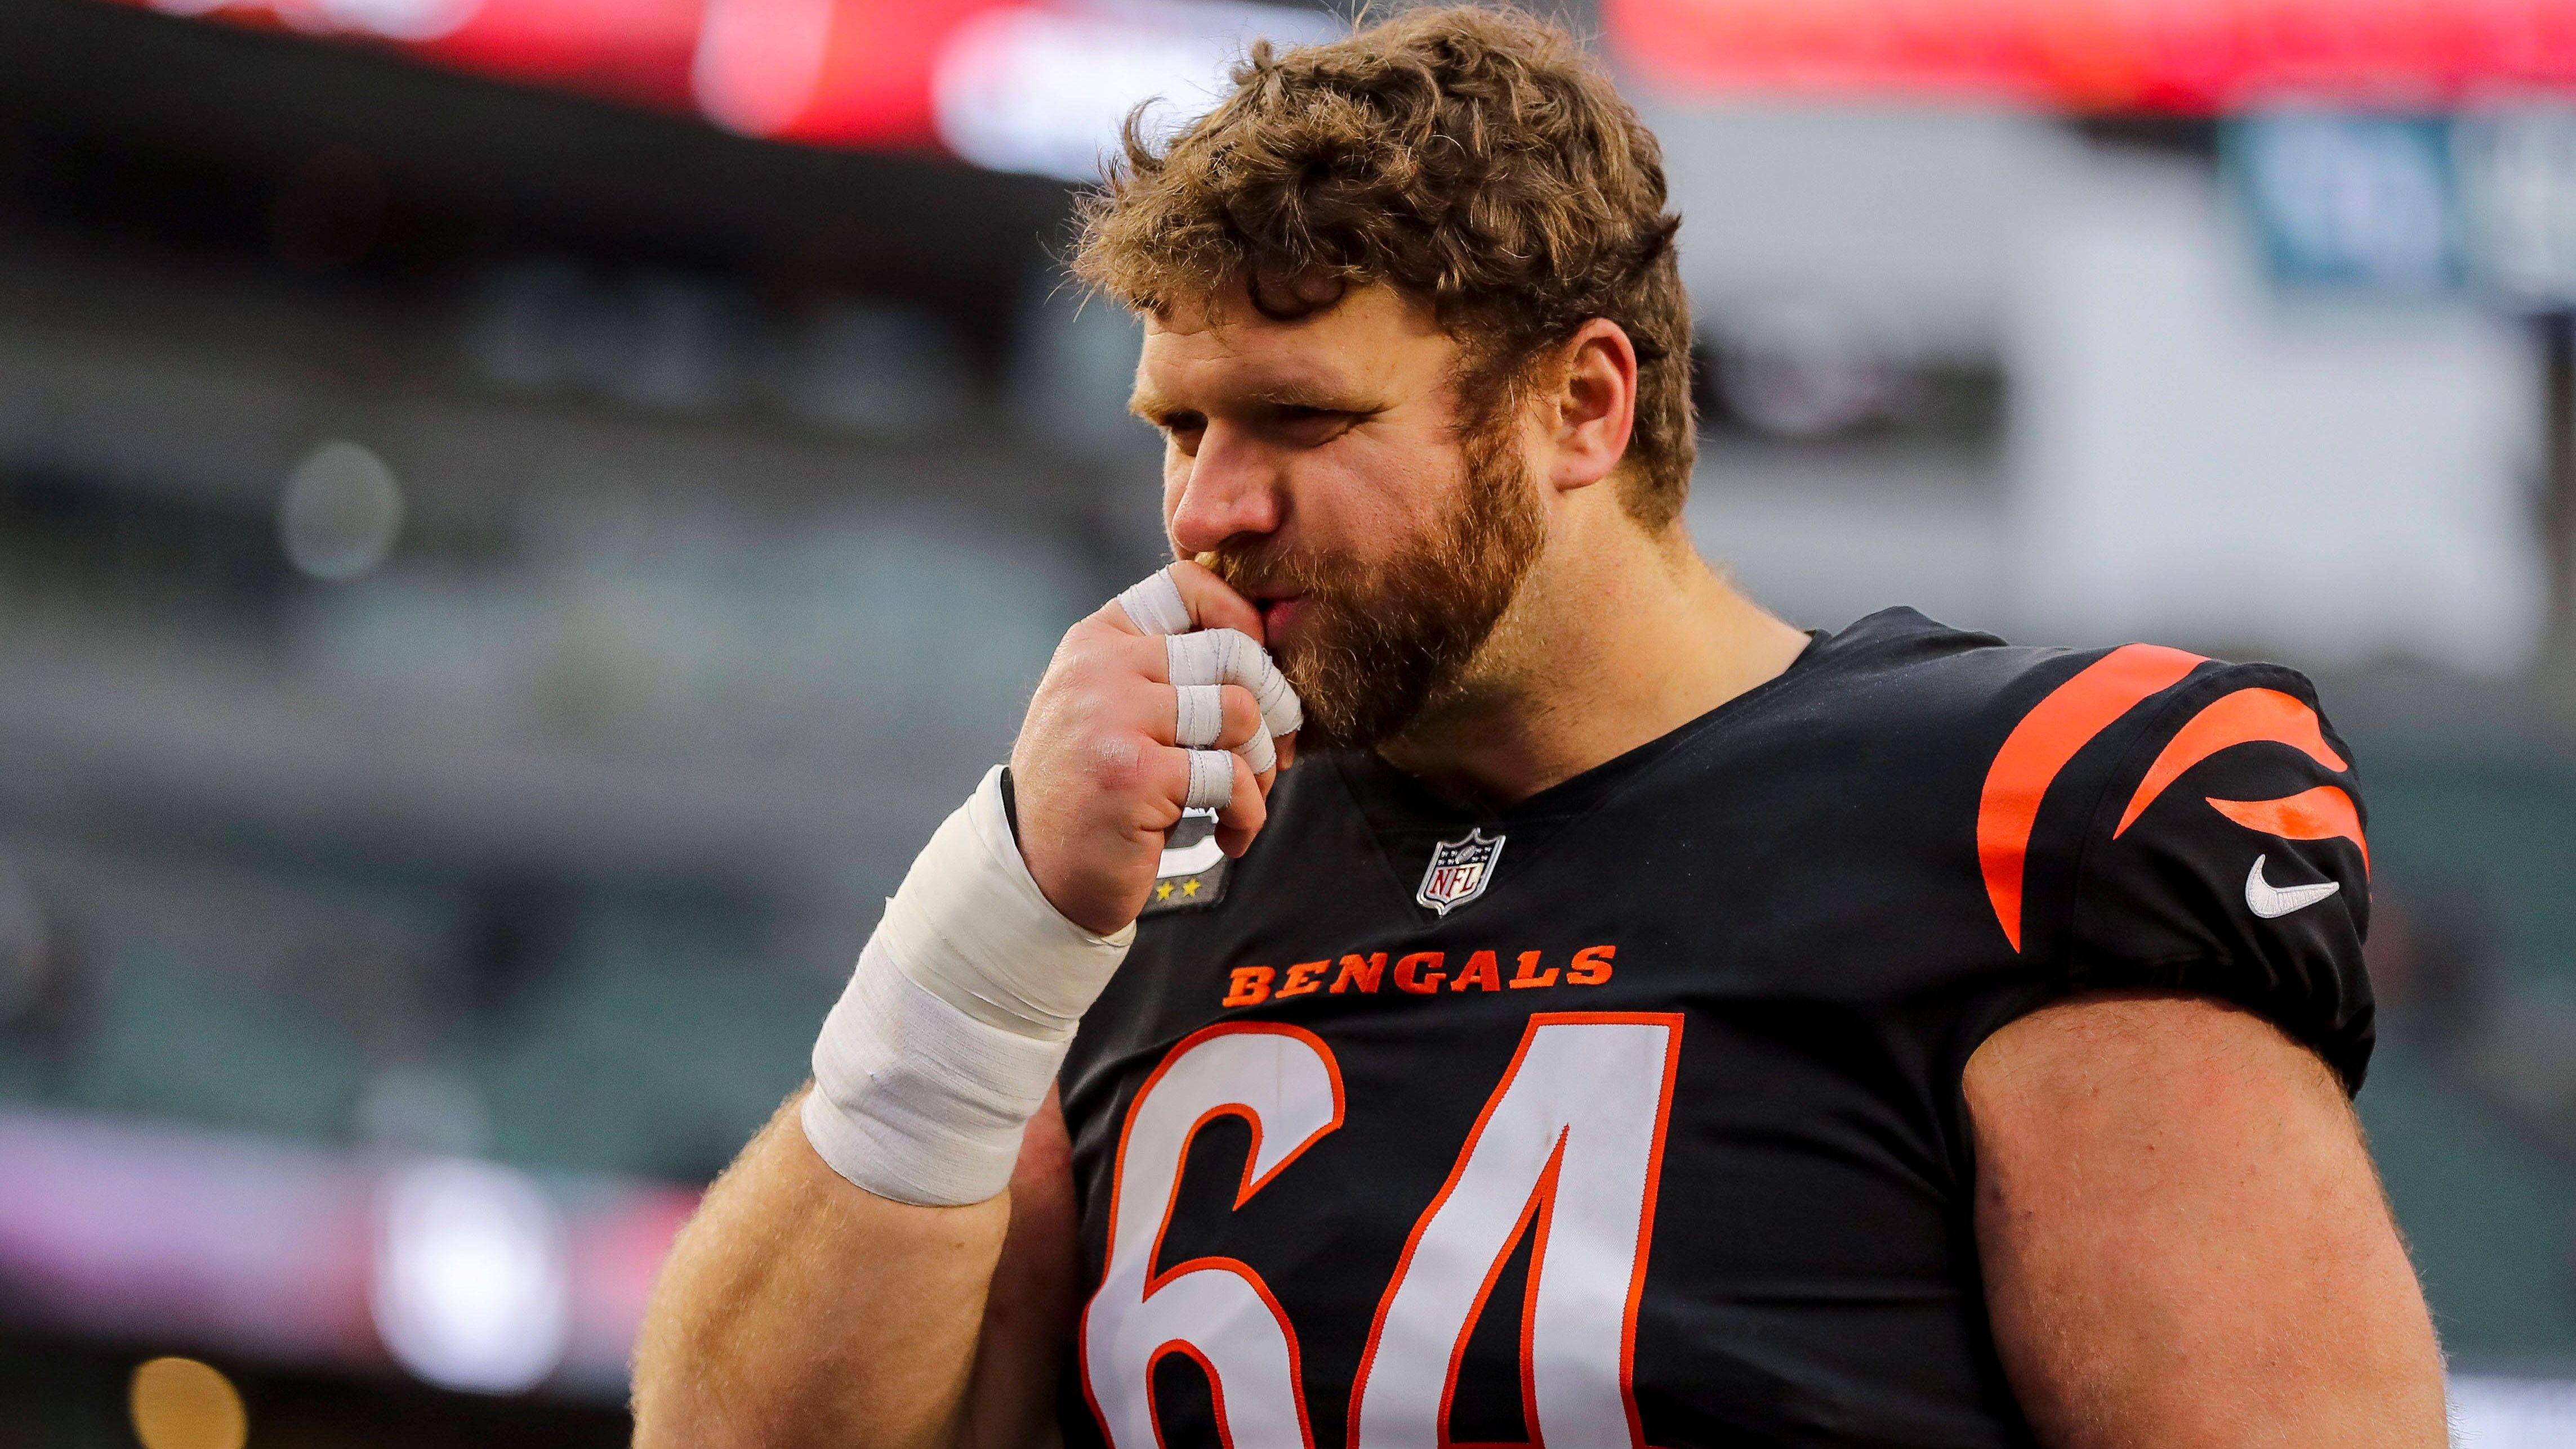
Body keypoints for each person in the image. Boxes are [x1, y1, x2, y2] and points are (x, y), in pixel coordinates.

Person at [630, 8, 2446, 1446]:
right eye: (1181, 429)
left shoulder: (2018, 811)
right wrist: (1002, 919)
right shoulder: (1146, 872)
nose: (1208, 510)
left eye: (1301, 421)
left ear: (1583, 404)